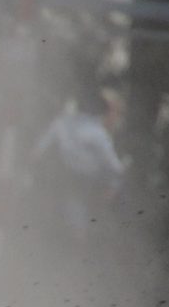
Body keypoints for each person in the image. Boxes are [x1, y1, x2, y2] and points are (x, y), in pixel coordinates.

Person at [30, 88, 128, 241]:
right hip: (75, 188)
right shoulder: (97, 133)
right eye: (113, 111)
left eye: (117, 112)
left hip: (72, 190)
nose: (115, 117)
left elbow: (36, 153)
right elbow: (115, 169)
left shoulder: (64, 123)